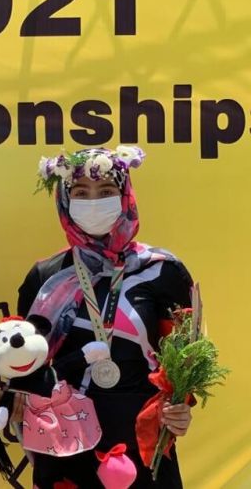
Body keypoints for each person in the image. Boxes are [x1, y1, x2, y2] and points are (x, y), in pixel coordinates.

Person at [17, 146, 194, 488]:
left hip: (142, 442)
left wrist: (180, 406)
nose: (94, 202)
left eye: (106, 191)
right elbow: (25, 366)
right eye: (81, 193)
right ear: (65, 200)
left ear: (125, 196)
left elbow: (184, 357)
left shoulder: (162, 271)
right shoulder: (44, 277)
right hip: (65, 442)